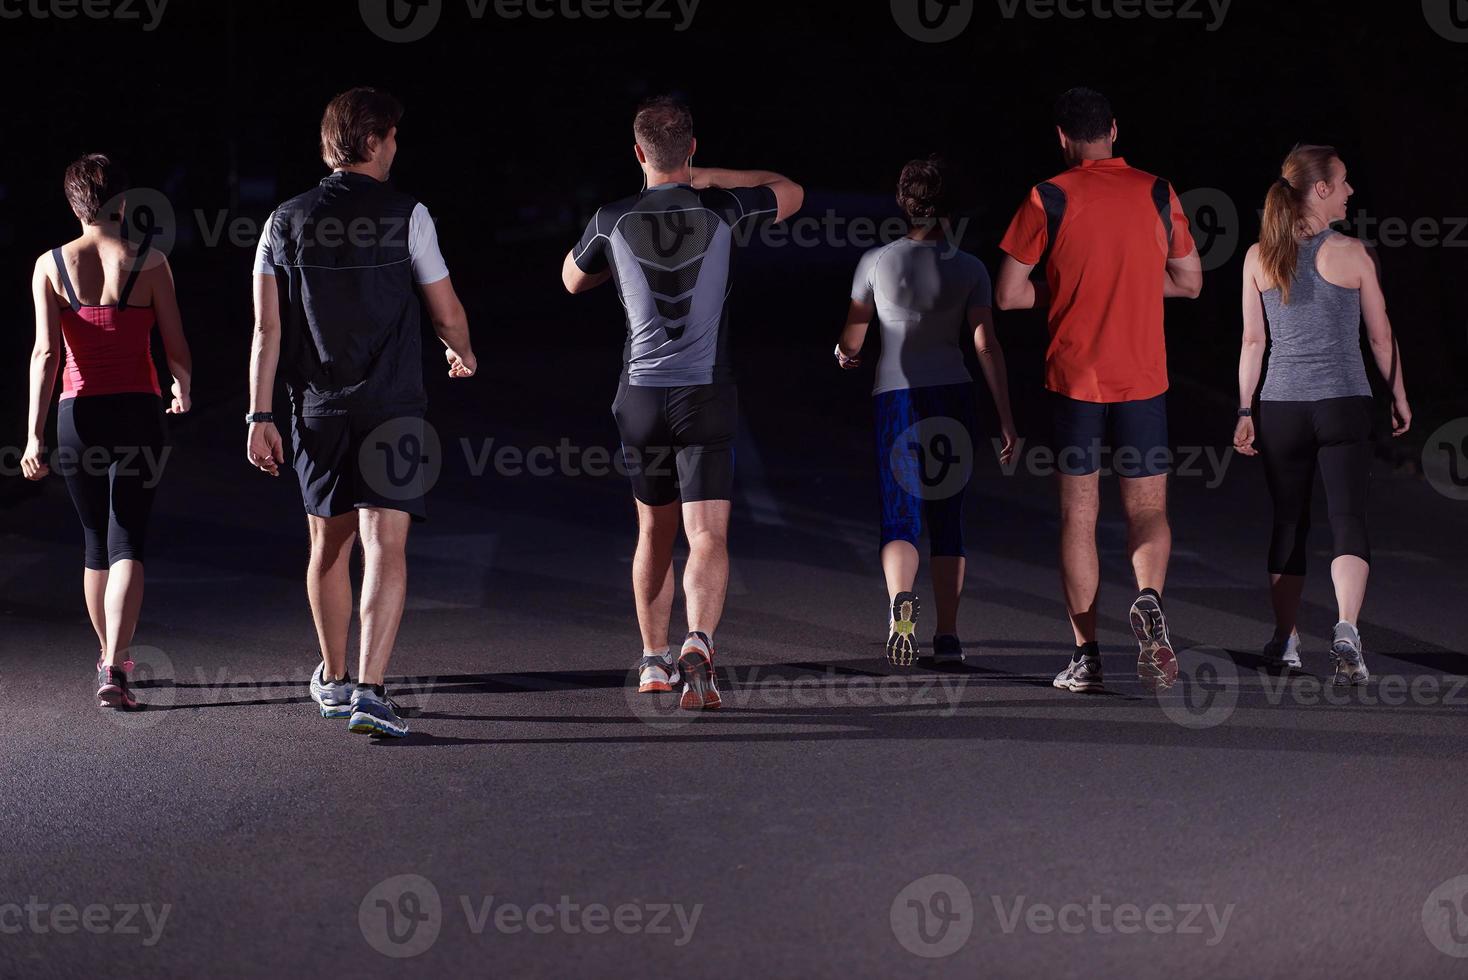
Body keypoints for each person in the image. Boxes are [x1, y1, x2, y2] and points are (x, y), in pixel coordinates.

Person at [248, 87, 476, 737]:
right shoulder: (410, 214)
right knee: (386, 545)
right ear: (374, 141)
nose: (397, 147)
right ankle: (372, 691)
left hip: (315, 408)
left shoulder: (281, 222)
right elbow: (446, 307)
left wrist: (258, 416)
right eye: (394, 136)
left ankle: (334, 676)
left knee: (328, 544)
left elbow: (266, 332)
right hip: (395, 404)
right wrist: (462, 352)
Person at [561, 96, 803, 709]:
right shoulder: (723, 207)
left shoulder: (610, 217)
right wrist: (709, 178)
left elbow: (570, 279)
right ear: (691, 150)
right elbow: (790, 189)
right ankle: (700, 642)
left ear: (637, 153)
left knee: (653, 530)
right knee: (707, 535)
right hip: (706, 395)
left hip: (640, 397)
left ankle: (651, 661)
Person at [995, 87, 1202, 693]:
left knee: (1079, 518)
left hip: (1075, 382)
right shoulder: (1158, 191)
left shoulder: (1048, 197)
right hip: (1143, 380)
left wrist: (1069, 289)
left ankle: (1087, 656)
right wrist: (1136, 282)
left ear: (1063, 138)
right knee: (1148, 510)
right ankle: (1147, 598)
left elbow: (1008, 294)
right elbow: (1190, 283)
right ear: (1115, 129)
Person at [1233, 144, 1410, 686]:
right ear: (1322, 189)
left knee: (1289, 519)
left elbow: (1252, 341)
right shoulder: (1353, 253)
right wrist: (1399, 394)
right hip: (1343, 404)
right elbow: (1380, 337)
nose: (1352, 191)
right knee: (1347, 519)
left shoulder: (1257, 256)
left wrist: (1245, 408)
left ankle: (1285, 641)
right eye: (1345, 181)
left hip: (1281, 407)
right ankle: (1346, 631)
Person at [22, 153, 193, 710]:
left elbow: (46, 354)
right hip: (138, 414)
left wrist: (32, 437)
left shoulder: (50, 264)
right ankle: (115, 663)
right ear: (123, 202)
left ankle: (108, 660)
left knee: (95, 544)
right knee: (128, 543)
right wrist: (182, 389)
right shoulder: (152, 261)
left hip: (78, 417)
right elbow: (175, 345)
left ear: (74, 204)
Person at [835, 157, 1017, 667]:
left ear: (902, 202)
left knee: (900, 515)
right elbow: (985, 345)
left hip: (896, 397)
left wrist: (845, 355)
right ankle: (950, 636)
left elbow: (853, 338)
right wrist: (1006, 417)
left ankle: (900, 604)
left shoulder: (875, 262)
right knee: (948, 517)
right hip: (954, 394)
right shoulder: (970, 267)